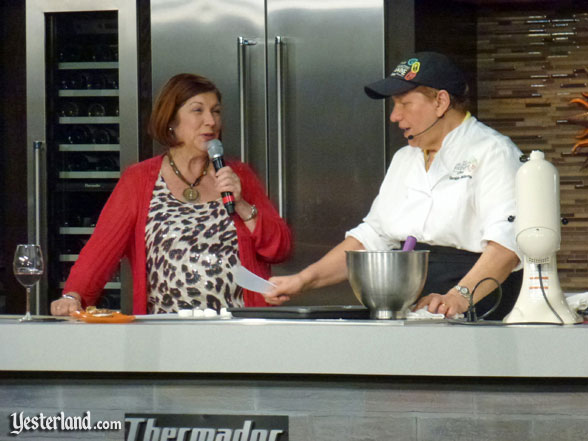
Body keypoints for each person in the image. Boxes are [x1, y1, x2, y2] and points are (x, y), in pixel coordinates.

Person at [265, 51, 522, 320]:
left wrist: (457, 299)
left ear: (441, 102)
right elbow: (373, 237)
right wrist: (304, 280)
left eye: (404, 103)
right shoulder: (405, 158)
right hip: (414, 303)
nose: (394, 116)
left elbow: (506, 246)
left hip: (478, 304)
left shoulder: (494, 152)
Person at [51, 73, 291, 316]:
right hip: (165, 331)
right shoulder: (139, 180)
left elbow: (280, 248)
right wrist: (73, 295)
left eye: (216, 111)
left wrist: (241, 204)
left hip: (238, 329)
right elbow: (99, 252)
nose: (210, 120)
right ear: (171, 120)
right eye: (198, 110)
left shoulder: (238, 175)